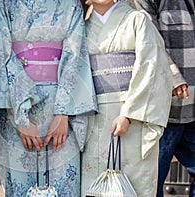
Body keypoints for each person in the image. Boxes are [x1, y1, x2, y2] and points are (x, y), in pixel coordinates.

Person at [0, 0, 98, 196]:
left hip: (59, 110)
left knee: (63, 185)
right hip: (18, 107)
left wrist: (62, 114)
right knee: (21, 183)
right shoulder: (4, 4)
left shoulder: (70, 5)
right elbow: (3, 53)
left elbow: (75, 54)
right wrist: (20, 116)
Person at [80, 0, 173, 196]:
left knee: (133, 185)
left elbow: (152, 67)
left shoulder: (137, 20)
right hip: (93, 117)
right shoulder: (82, 28)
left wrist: (129, 114)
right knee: (95, 187)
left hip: (132, 117)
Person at [132, 0, 195, 196]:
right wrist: (173, 77)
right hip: (161, 114)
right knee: (150, 185)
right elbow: (148, 41)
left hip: (193, 112)